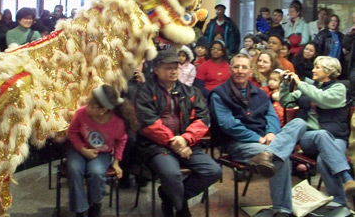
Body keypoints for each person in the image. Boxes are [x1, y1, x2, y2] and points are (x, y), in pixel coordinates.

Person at [210, 53, 310, 217]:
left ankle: (269, 153)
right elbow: (228, 124)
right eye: (236, 66)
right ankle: (282, 209)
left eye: (244, 67)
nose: (240, 71)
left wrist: (271, 132)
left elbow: (271, 116)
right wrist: (257, 138)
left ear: (250, 71)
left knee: (299, 123)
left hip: (267, 141)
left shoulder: (260, 93)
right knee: (279, 157)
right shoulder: (219, 94)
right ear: (230, 69)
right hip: (239, 143)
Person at [135, 50, 221, 217]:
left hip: (186, 143)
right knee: (171, 174)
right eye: (168, 68)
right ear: (157, 69)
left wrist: (186, 139)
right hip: (156, 146)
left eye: (176, 67)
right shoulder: (145, 92)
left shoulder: (190, 92)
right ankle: (182, 208)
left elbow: (204, 119)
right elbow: (148, 123)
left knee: (213, 170)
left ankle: (169, 196)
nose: (174, 71)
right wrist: (173, 142)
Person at [277, 56, 355, 211]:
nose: (313, 70)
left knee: (323, 159)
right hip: (310, 137)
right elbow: (286, 101)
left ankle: (340, 203)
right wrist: (285, 85)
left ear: (328, 71)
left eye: (317, 67)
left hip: (336, 137)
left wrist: (301, 83)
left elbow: (322, 99)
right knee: (321, 135)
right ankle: (347, 178)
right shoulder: (307, 88)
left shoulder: (340, 88)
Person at [66, 84, 137, 217]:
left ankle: (95, 204)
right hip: (79, 149)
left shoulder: (118, 122)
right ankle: (80, 210)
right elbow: (72, 133)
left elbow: (122, 140)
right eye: (88, 102)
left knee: (96, 172)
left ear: (103, 110)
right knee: (74, 169)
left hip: (102, 153)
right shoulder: (81, 113)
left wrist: (116, 162)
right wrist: (82, 150)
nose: (87, 106)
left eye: (92, 105)